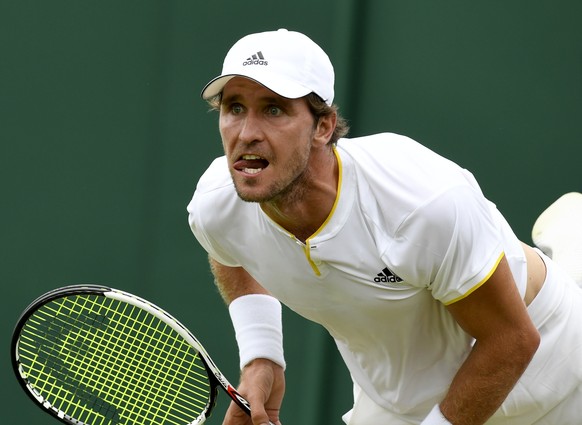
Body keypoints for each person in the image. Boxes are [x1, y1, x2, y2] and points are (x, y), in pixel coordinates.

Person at [187, 28, 582, 425]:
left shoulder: (419, 203)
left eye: (274, 110)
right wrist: (262, 356)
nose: (247, 133)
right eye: (234, 108)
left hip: (548, 371)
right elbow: (229, 252)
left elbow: (512, 340)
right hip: (398, 400)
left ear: (323, 126)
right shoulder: (218, 204)